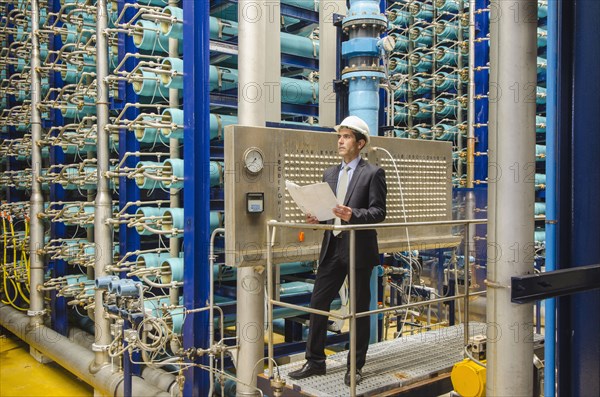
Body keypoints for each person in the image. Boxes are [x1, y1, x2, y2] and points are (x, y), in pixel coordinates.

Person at [288, 115, 387, 386]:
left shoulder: (373, 173)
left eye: (346, 136)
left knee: (358, 309)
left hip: (358, 247)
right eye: (339, 136)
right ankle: (315, 361)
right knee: (318, 304)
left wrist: (353, 213)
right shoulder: (330, 173)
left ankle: (355, 365)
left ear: (360, 143)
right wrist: (317, 218)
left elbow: (379, 213)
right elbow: (330, 209)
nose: (340, 141)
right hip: (332, 246)